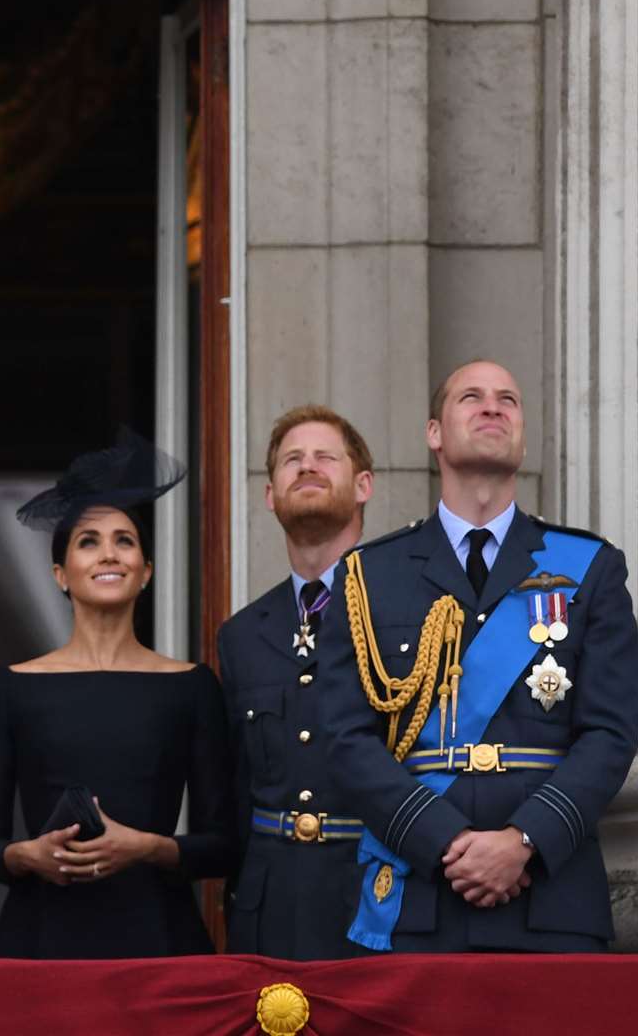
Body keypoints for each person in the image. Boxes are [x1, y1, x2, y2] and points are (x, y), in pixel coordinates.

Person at [315, 360, 638, 953]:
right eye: (472, 397)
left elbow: (611, 736)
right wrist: (444, 841)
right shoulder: (368, 575)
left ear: (521, 435)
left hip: (550, 896)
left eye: (508, 400)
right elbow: (346, 738)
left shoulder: (590, 566)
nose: (493, 407)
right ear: (434, 432)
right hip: (417, 893)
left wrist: (522, 841)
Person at [0, 430, 234, 959]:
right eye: (88, 541)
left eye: (125, 540)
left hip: (157, 939)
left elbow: (223, 845)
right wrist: (29, 855)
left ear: (146, 572)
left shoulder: (192, 686)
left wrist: (147, 847)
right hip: (41, 941)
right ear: (61, 575)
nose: (108, 553)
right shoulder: (11, 688)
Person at [218, 405, 375, 959]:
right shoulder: (241, 635)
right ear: (270, 495)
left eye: (324, 457)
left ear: (363, 485)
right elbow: (237, 787)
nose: (306, 468)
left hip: (376, 901)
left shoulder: (410, 613)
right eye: (292, 460)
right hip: (271, 908)